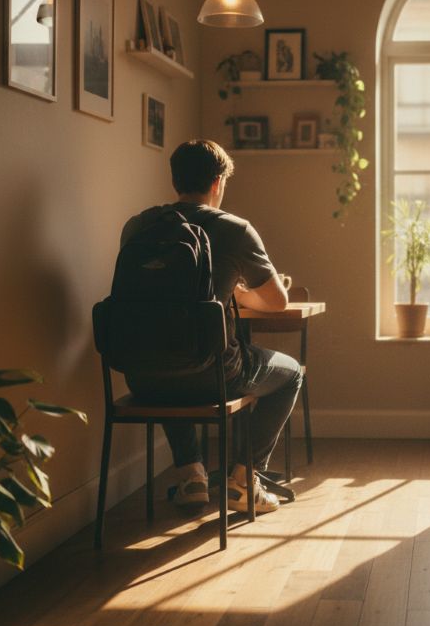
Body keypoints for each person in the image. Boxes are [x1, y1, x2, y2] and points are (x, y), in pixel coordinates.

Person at [120, 139, 302, 513]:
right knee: (292, 373)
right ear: (218, 182)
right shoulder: (234, 230)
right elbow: (276, 302)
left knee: (169, 349)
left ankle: (191, 477)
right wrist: (240, 290)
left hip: (140, 376)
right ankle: (242, 479)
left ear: (175, 180)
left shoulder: (138, 226)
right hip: (212, 375)